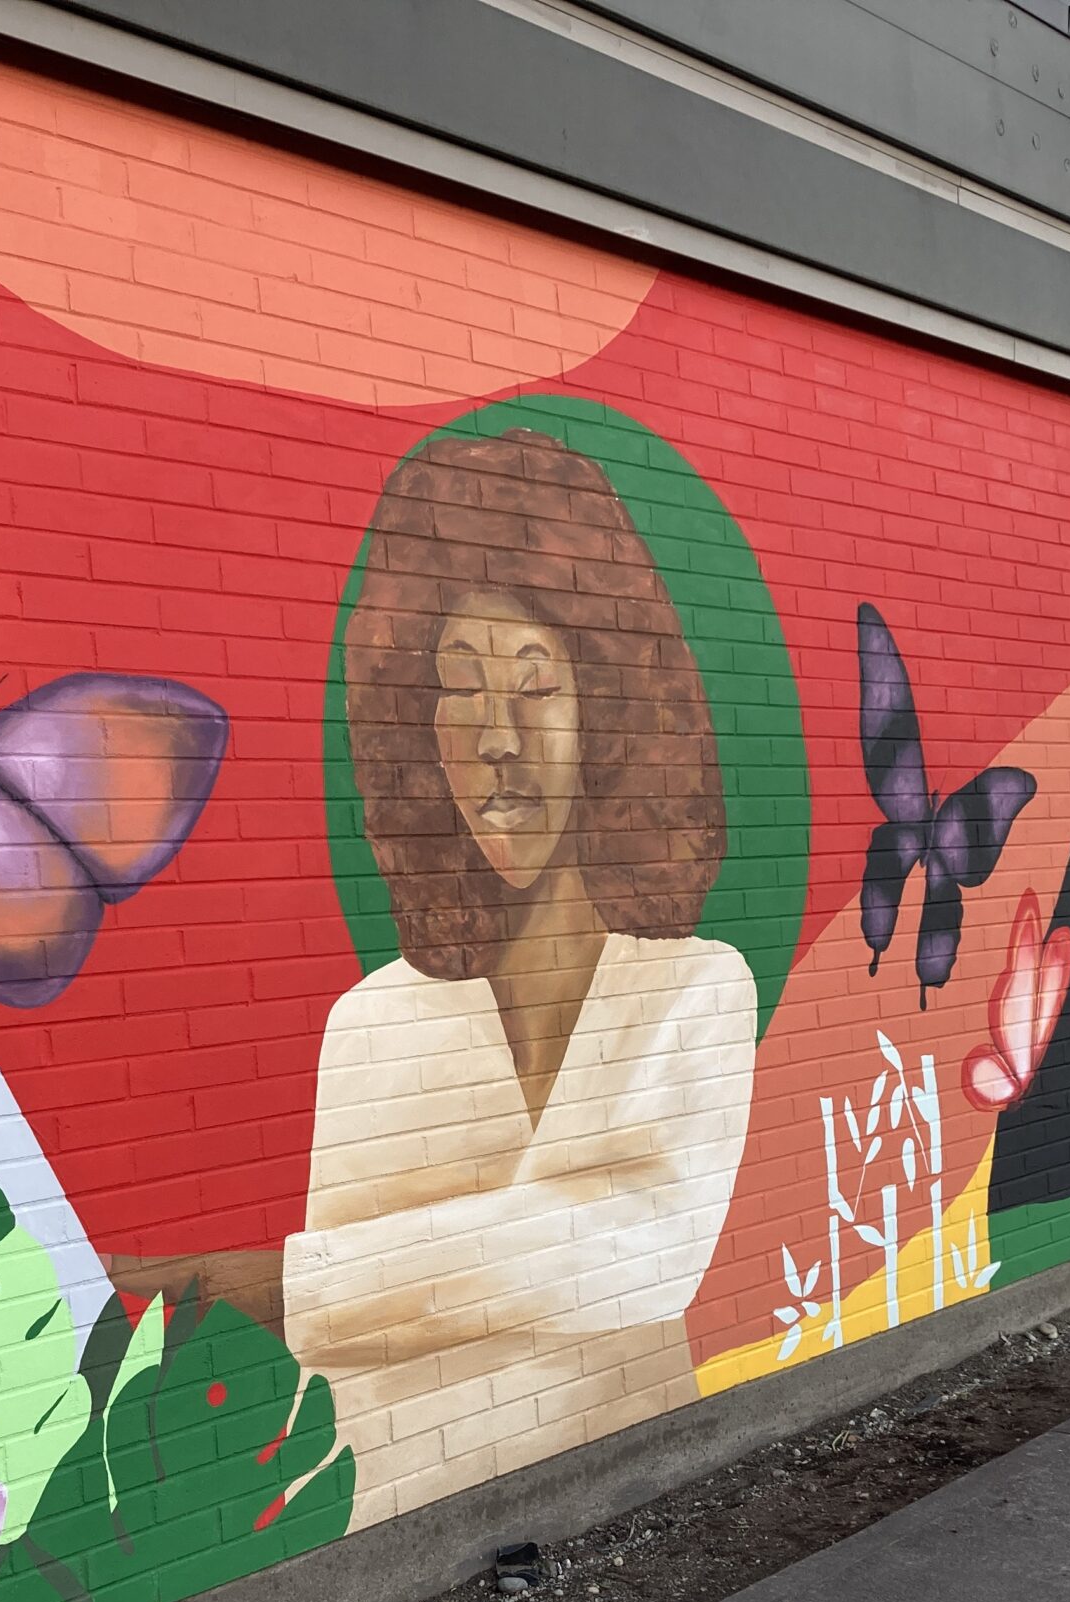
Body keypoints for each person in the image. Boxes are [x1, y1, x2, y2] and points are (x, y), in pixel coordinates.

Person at [285, 429, 757, 1528]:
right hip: (389, 1531)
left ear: (610, 714)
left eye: (536, 688)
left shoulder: (693, 991)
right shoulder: (373, 1024)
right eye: (457, 690)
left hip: (636, 1510)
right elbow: (349, 1363)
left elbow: (647, 1252)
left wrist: (278, 1284)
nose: (496, 739)